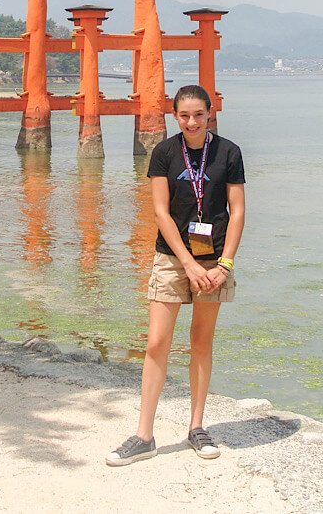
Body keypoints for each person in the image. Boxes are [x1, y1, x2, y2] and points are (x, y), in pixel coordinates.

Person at [106, 85, 245, 465]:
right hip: (172, 258)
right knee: (156, 343)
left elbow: (237, 211)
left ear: (209, 113)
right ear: (175, 116)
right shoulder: (165, 153)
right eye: (184, 115)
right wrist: (186, 263)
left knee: (201, 343)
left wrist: (225, 265)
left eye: (199, 114)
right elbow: (161, 213)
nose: (192, 122)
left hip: (215, 262)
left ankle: (196, 428)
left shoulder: (229, 152)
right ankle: (143, 435)